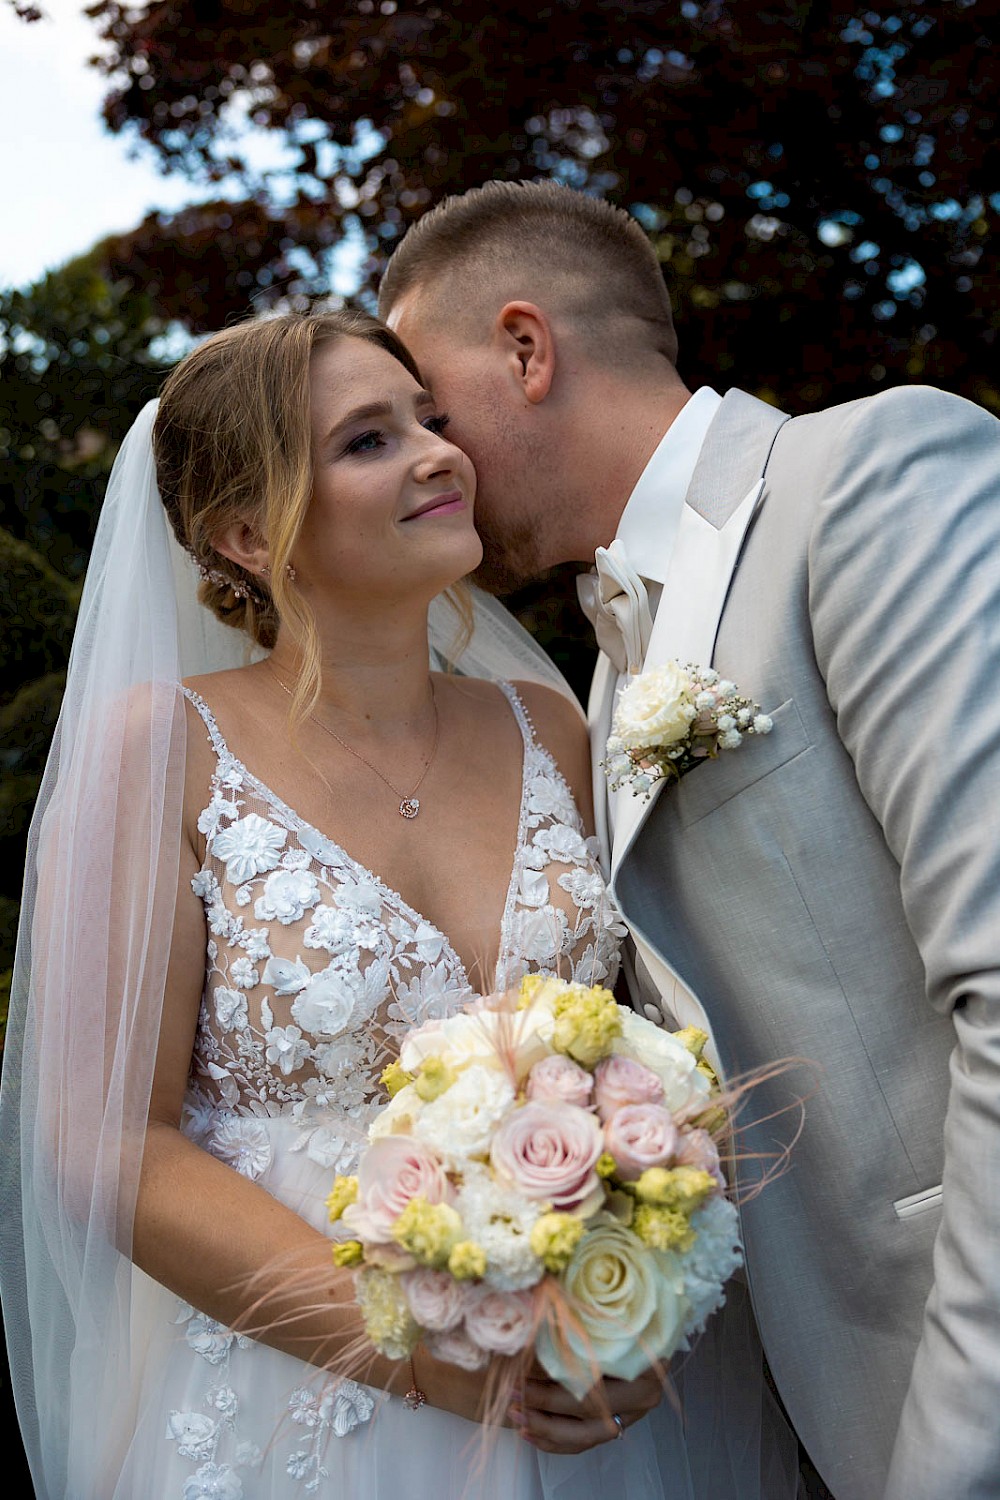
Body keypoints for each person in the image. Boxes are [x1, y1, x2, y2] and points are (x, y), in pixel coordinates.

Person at [0, 309, 798, 1500]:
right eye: (367, 441)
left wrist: (634, 1295)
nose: (439, 451)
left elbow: (640, 1043)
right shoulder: (164, 750)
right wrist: (425, 1359)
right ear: (245, 535)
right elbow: (106, 1145)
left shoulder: (553, 728)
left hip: (587, 1392)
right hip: (309, 1398)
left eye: (428, 419)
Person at [377, 180, 1000, 1500]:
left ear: (527, 350)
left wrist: (954, 1457)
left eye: (434, 410)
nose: (431, 461)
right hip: (813, 1410)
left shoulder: (868, 482)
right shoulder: (605, 673)